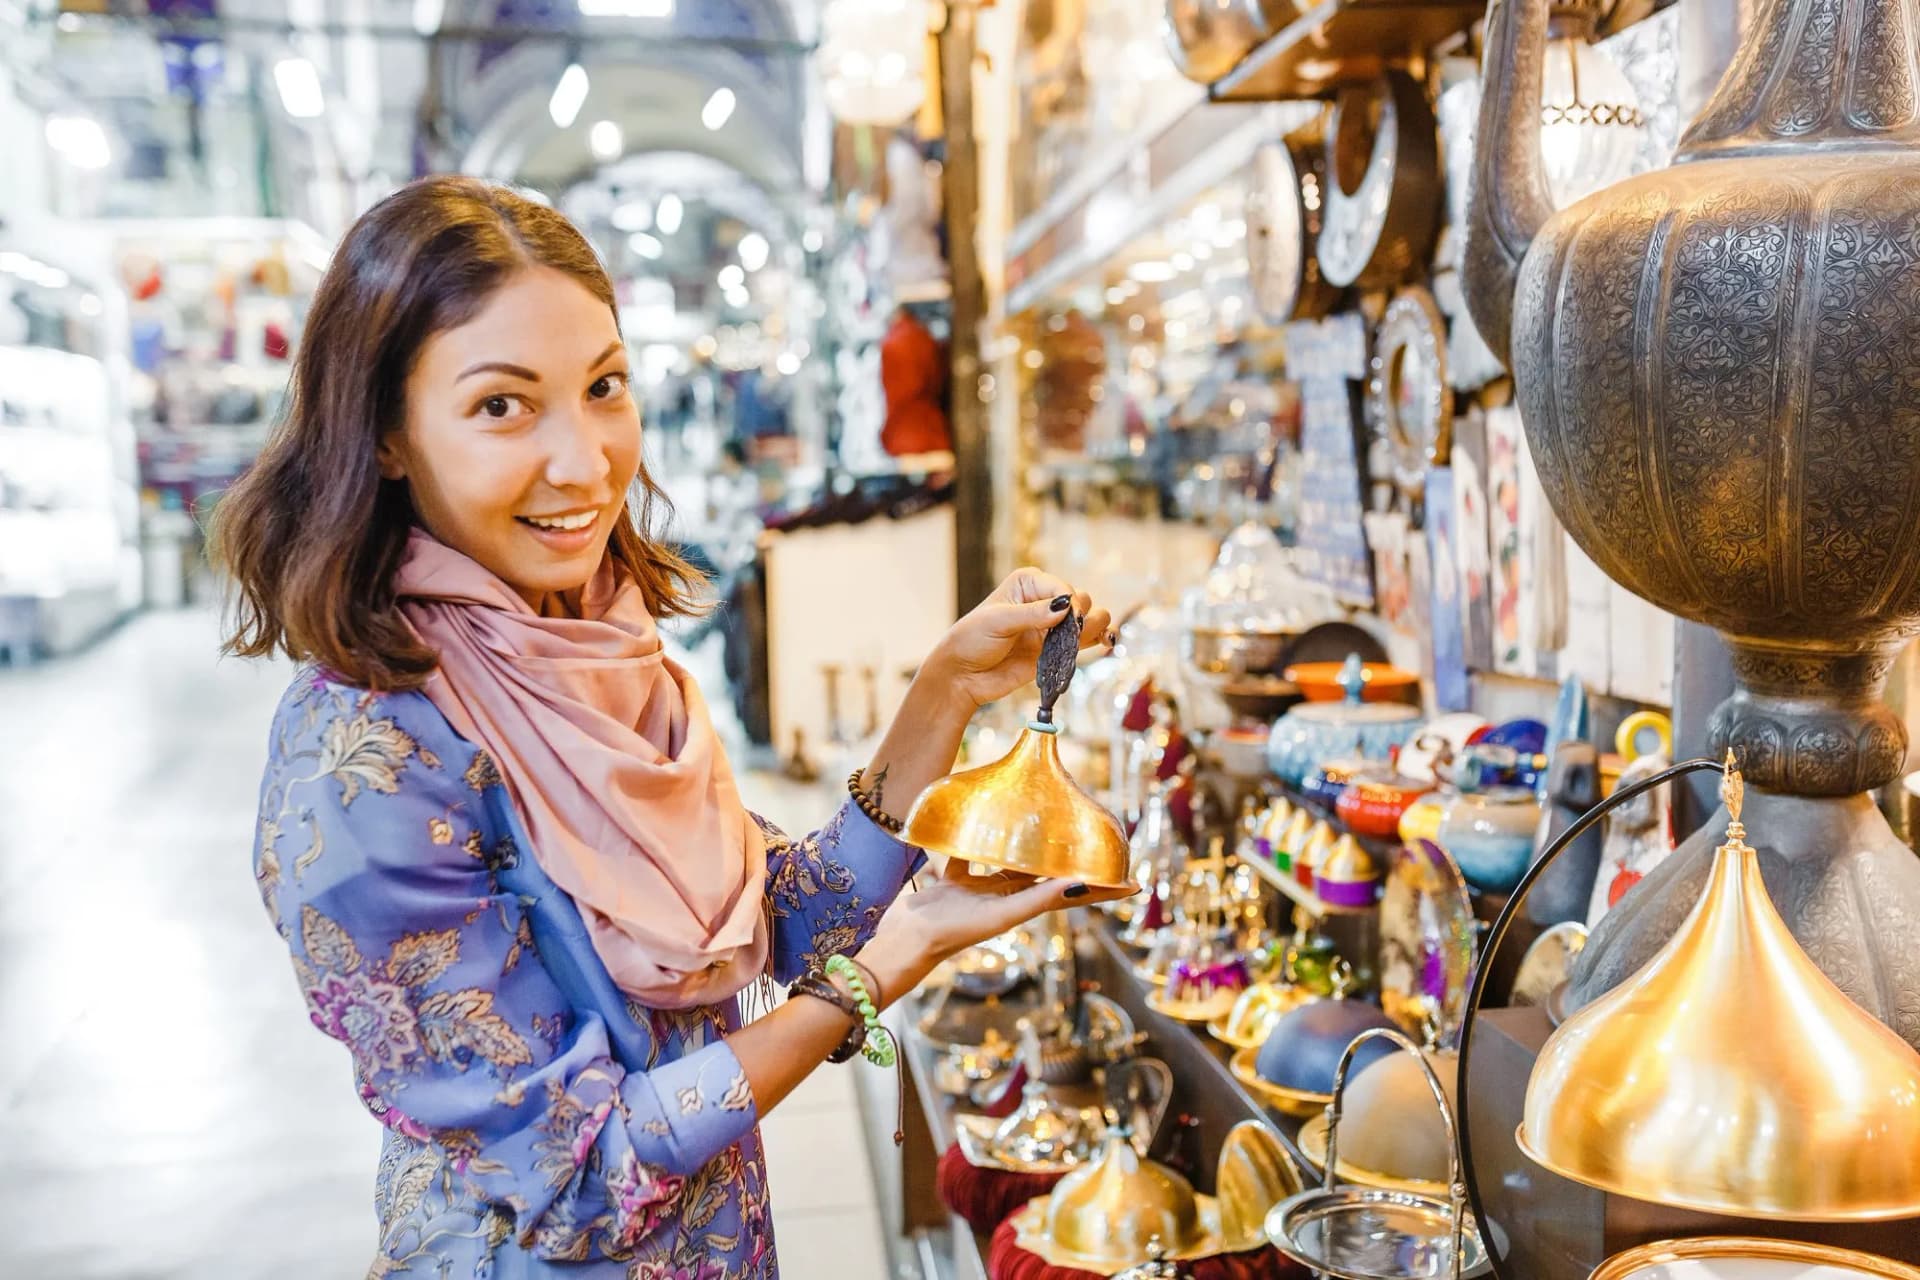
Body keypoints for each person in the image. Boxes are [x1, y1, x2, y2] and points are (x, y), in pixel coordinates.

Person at [212, 176, 1122, 1278]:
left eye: (603, 386)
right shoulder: (364, 761)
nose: (586, 461)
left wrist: (946, 693)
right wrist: (889, 966)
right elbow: (582, 1177)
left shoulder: (598, 648)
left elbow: (777, 922)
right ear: (387, 434)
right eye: (503, 404)